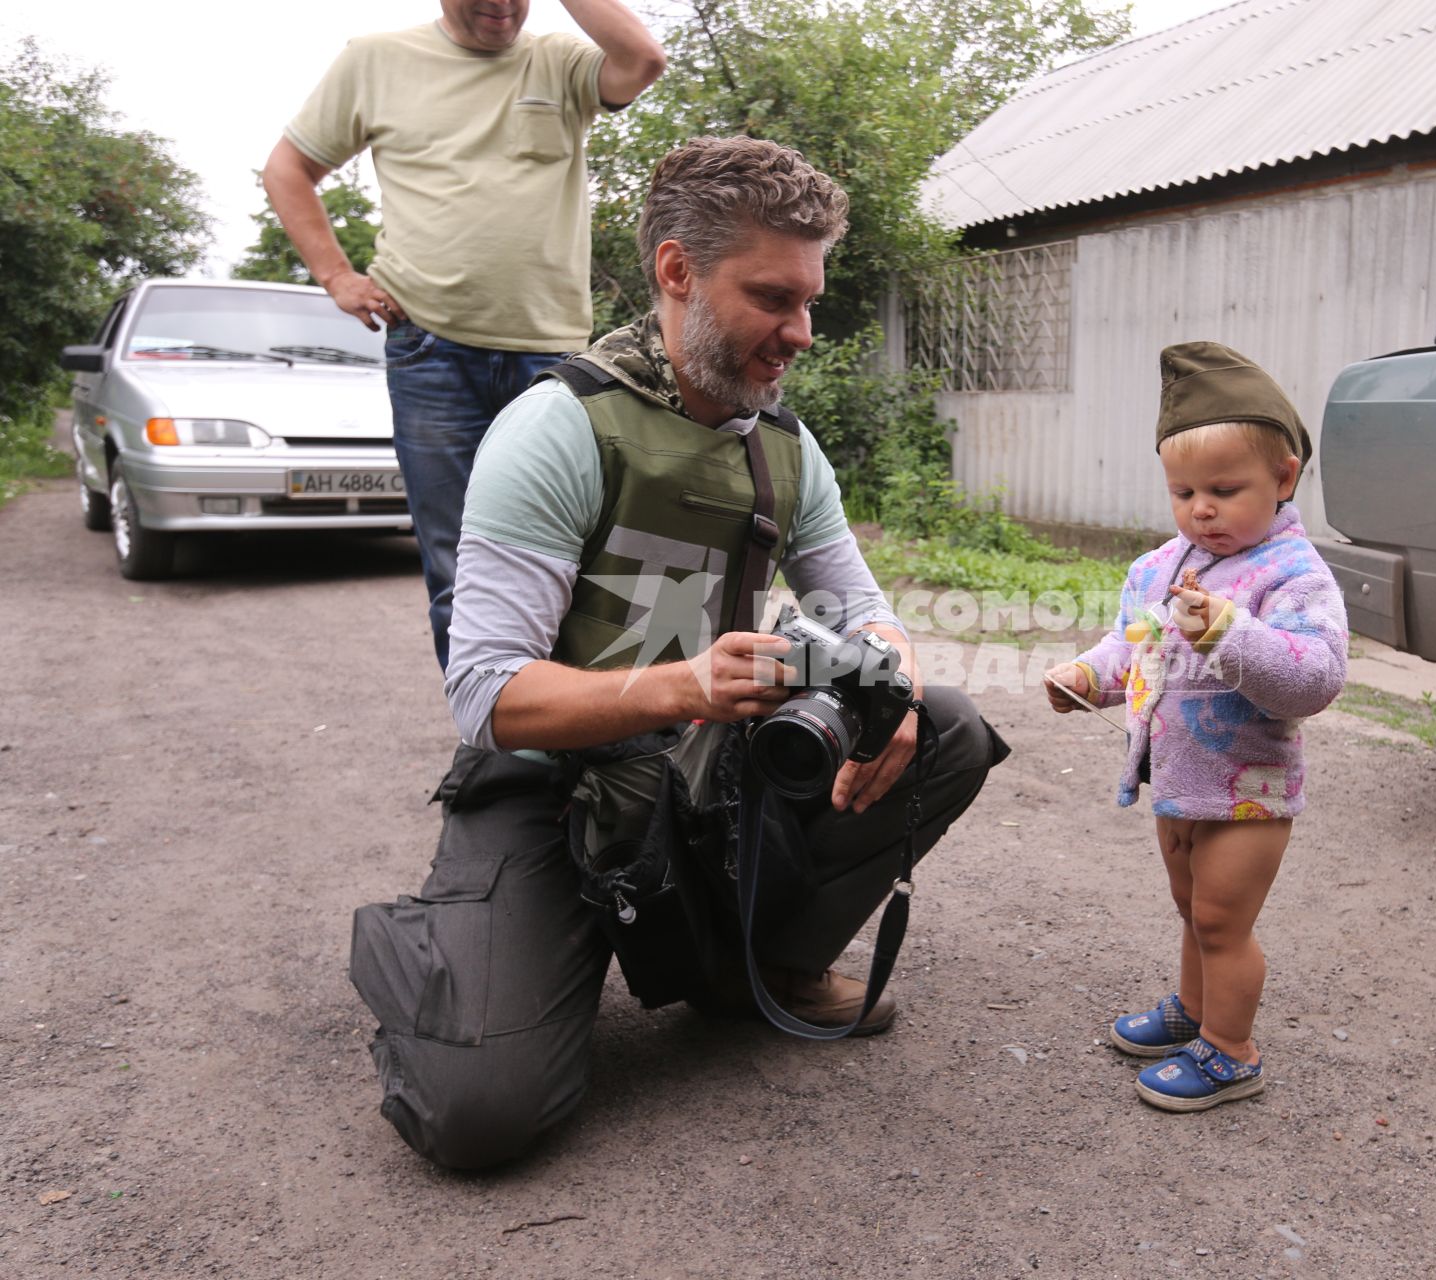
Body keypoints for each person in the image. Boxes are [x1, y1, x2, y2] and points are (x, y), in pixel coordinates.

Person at [349, 136, 1009, 1169]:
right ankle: (446, 948)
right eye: (770, 298)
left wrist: (895, 676)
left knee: (952, 727)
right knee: (478, 1116)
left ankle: (753, 971)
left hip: (707, 777)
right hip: (556, 786)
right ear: (675, 271)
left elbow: (865, 606)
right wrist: (684, 685)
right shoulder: (558, 429)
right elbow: (487, 695)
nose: (799, 332)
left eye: (810, 301)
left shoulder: (785, 446)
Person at [263, 1, 667, 671]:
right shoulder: (374, 59)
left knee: (579, 559)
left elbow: (643, 61)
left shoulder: (560, 61)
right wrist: (336, 276)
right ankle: (498, 758)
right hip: (430, 352)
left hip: (552, 359)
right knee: (461, 572)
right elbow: (287, 168)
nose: (502, 6)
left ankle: (579, 737)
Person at [1043, 342, 1347, 1112]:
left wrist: (1228, 635)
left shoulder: (1294, 576)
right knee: (1192, 910)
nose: (1200, 509)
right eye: (1183, 491)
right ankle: (1192, 1009)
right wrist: (1087, 677)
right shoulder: (1158, 569)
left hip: (1250, 791)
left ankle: (1230, 1050)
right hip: (1177, 782)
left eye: (1223, 488)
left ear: (1284, 478)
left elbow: (1314, 677)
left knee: (1221, 919)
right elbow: (1130, 645)